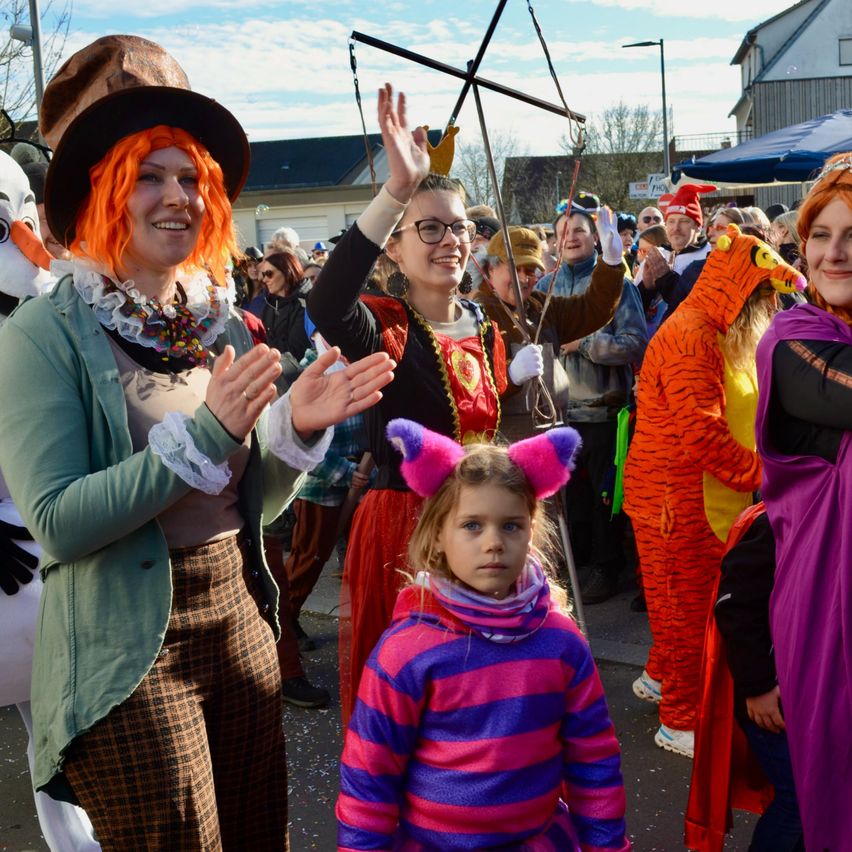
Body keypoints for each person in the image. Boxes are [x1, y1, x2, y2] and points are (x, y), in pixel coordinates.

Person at [0, 35, 395, 850]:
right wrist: (208, 434)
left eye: (192, 178)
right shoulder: (45, 330)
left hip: (239, 615)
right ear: (103, 188)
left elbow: (249, 505)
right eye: (148, 175)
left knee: (258, 836)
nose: (177, 196)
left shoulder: (218, 322)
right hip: (122, 649)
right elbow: (59, 523)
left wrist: (295, 431)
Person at [307, 85, 509, 724]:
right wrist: (396, 189)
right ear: (394, 246)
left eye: (460, 227)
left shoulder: (486, 326)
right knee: (415, 702)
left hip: (483, 525)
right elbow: (326, 301)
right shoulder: (382, 325)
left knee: (481, 700)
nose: (450, 240)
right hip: (407, 533)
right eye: (429, 227)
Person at [337, 419, 629, 851]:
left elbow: (594, 758)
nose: (493, 542)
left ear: (531, 530)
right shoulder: (407, 651)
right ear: (438, 535)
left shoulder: (562, 642)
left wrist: (607, 846)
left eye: (511, 525)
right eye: (472, 525)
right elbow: (370, 775)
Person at [623, 223, 805, 759]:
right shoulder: (692, 337)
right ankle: (680, 719)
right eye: (763, 297)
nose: (770, 309)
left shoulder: (715, 329)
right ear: (738, 293)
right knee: (686, 610)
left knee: (677, 604)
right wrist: (770, 476)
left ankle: (659, 677)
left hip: (694, 496)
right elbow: (703, 436)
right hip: (675, 502)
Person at [753, 152, 852, 850]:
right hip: (828, 607)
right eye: (820, 234)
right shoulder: (794, 340)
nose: (834, 252)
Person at [537, 208, 648, 604]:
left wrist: (583, 343)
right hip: (557, 415)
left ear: (595, 236)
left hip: (604, 411)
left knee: (605, 498)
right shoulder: (545, 286)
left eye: (579, 230)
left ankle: (608, 568)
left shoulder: (617, 284)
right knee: (569, 499)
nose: (570, 237)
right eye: (563, 231)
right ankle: (574, 565)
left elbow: (636, 344)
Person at [476, 221, 624, 440]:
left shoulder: (542, 307)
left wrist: (611, 264)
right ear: (491, 268)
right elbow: (472, 392)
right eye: (515, 269)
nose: (523, 279)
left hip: (551, 437)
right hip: (505, 445)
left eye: (530, 271)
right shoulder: (477, 315)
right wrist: (510, 376)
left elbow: (593, 309)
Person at [253, 250, 311, 361]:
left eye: (269, 274)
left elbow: (296, 352)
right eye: (264, 274)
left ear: (286, 271)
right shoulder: (270, 303)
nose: (265, 279)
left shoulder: (304, 304)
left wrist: (264, 348)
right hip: (273, 366)